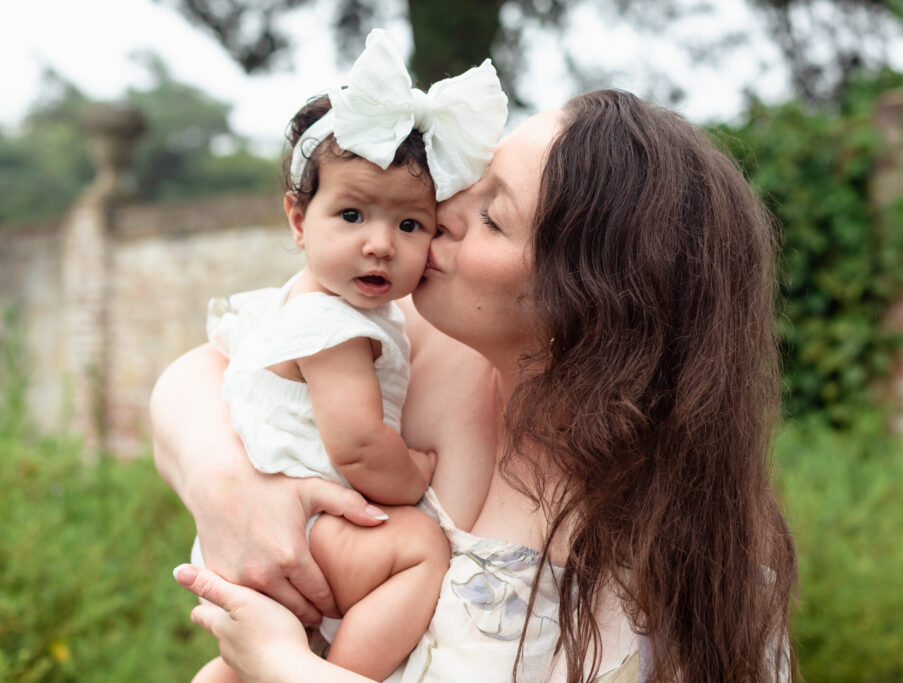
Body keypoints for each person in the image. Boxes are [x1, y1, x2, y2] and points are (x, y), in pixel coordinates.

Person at [155, 88, 798, 682]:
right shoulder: (414, 335)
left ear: (591, 303)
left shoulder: (670, 556)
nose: (441, 213)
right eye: (470, 180)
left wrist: (283, 667)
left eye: (491, 214)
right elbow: (200, 371)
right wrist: (228, 486)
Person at [181, 29, 509, 683]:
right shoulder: (332, 326)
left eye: (409, 224)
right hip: (295, 526)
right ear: (299, 220)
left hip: (285, 520)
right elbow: (359, 443)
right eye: (353, 215)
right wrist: (415, 474)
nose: (381, 244)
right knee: (419, 547)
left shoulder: (304, 303)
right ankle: (334, 669)